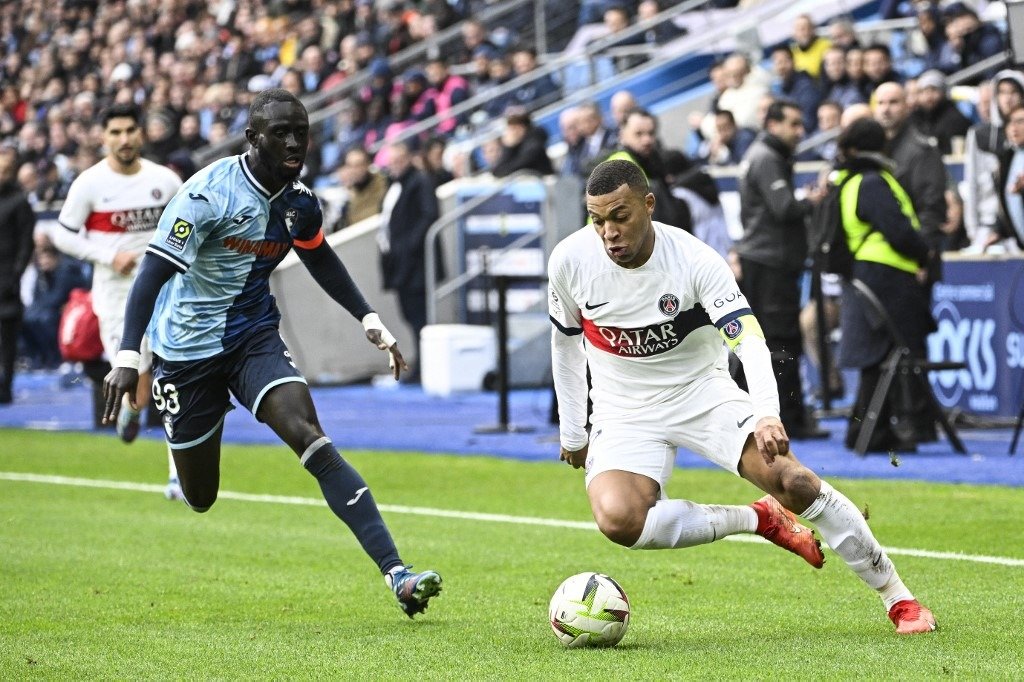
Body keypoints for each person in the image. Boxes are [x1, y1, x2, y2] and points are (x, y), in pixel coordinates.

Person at [548, 158, 937, 635]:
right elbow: (565, 346)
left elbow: (749, 341)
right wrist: (573, 428)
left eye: (620, 216)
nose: (609, 232)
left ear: (648, 205)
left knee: (793, 481)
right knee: (619, 520)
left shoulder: (695, 260)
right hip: (622, 408)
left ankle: (899, 599)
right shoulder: (570, 260)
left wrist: (766, 413)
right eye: (598, 220)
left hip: (702, 394)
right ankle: (756, 520)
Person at [101, 89, 442, 618]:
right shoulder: (206, 196)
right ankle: (146, 406)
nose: (293, 142)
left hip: (252, 338)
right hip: (186, 351)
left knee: (310, 434)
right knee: (200, 496)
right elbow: (152, 273)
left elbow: (319, 256)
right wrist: (128, 357)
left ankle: (397, 573)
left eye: (300, 132)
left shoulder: (300, 203)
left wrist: (369, 318)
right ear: (252, 139)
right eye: (280, 132)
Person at [52, 103, 184, 499]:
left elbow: (188, 224)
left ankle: (178, 475)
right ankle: (132, 410)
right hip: (116, 295)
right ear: (104, 137)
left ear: (141, 133)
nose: (124, 139)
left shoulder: (165, 180)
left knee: (176, 378)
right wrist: (110, 256)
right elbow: (62, 234)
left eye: (130, 130)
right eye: (116, 132)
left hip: (167, 290)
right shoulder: (90, 184)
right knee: (138, 378)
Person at [832, 119, 937, 451]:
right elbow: (900, 232)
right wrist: (924, 254)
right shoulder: (873, 182)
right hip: (888, 277)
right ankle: (902, 430)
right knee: (897, 355)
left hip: (868, 274)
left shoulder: (848, 181)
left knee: (876, 359)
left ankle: (866, 433)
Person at [736, 100, 827, 439]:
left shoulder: (760, 154)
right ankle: (789, 419)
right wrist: (813, 200)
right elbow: (784, 208)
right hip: (770, 261)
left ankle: (756, 416)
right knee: (782, 341)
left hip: (763, 260)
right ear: (773, 125)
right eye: (793, 124)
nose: (800, 131)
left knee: (762, 342)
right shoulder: (767, 158)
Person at [378, 140, 442, 382]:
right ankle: (420, 364)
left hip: (416, 265)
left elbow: (429, 215)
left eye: (397, 161)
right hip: (400, 264)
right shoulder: (395, 185)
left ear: (407, 159)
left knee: (419, 317)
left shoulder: (420, 181)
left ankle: (424, 367)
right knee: (410, 315)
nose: (393, 166)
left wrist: (407, 247)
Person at [0, 147, 35, 404]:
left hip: (7, 280)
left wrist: (15, 275)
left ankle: (6, 386)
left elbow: (26, 243)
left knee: (8, 339)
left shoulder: (20, 202)